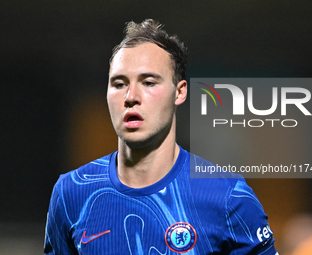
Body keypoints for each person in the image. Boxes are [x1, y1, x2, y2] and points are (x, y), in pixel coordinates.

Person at [44, 19, 278, 254]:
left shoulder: (228, 196)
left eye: (148, 82)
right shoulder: (71, 193)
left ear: (179, 92)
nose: (131, 96)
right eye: (119, 83)